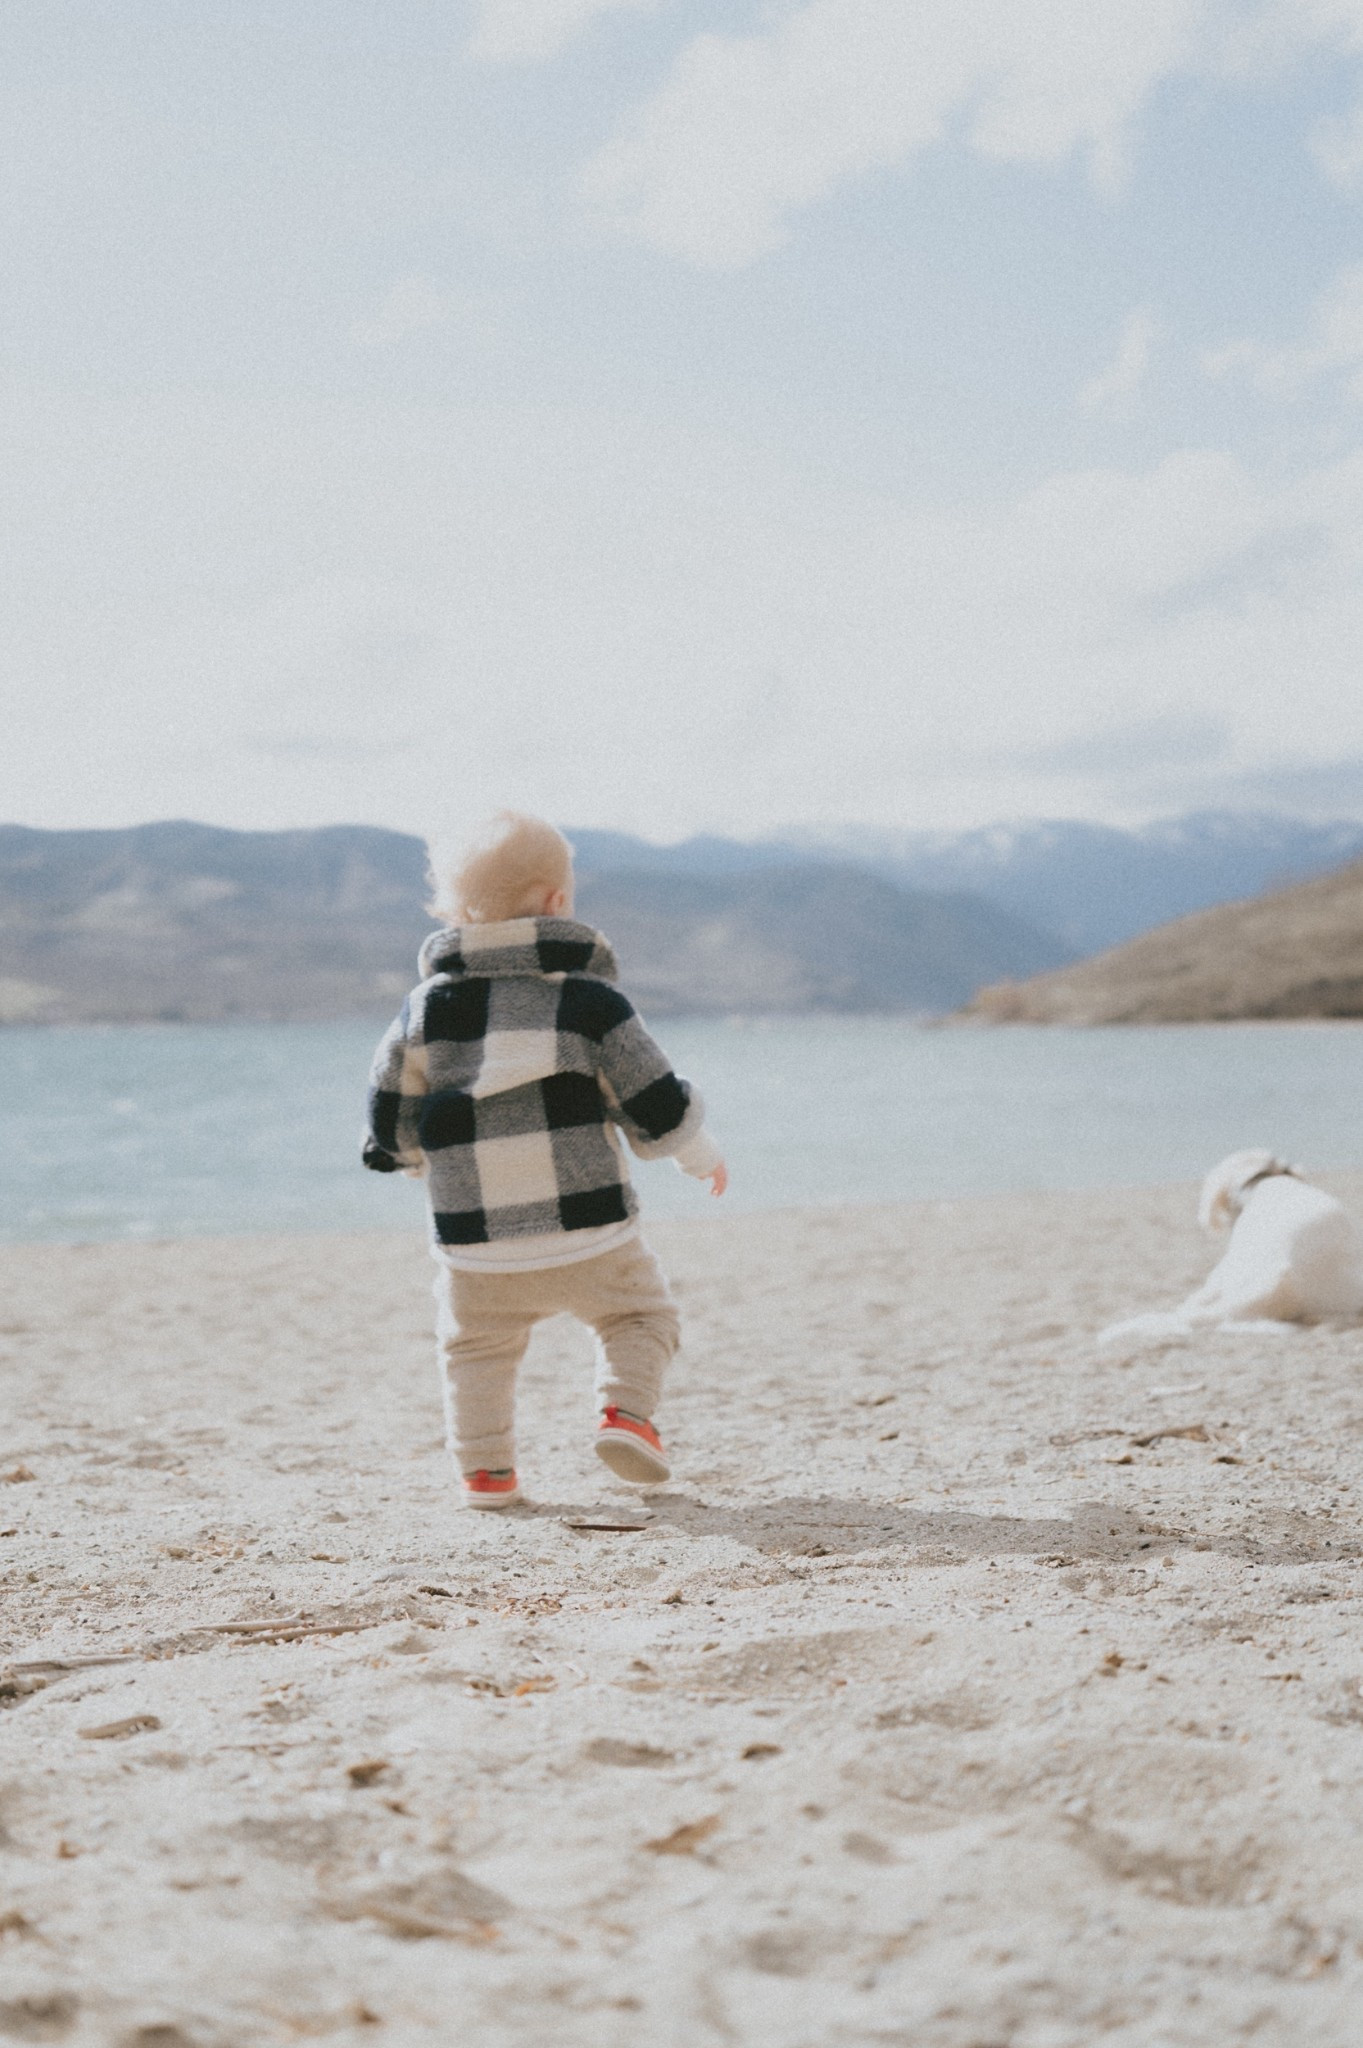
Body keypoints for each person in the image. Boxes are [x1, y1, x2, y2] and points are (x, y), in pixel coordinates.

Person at [363, 812, 726, 1509]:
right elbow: (649, 1097)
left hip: (475, 1244)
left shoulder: (422, 1011)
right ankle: (624, 1415)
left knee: (475, 1350)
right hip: (589, 1227)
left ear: (454, 912)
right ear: (558, 902)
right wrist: (695, 1154)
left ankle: (487, 1474)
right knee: (640, 1318)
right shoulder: (587, 1001)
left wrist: (410, 1158)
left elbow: (388, 1108)